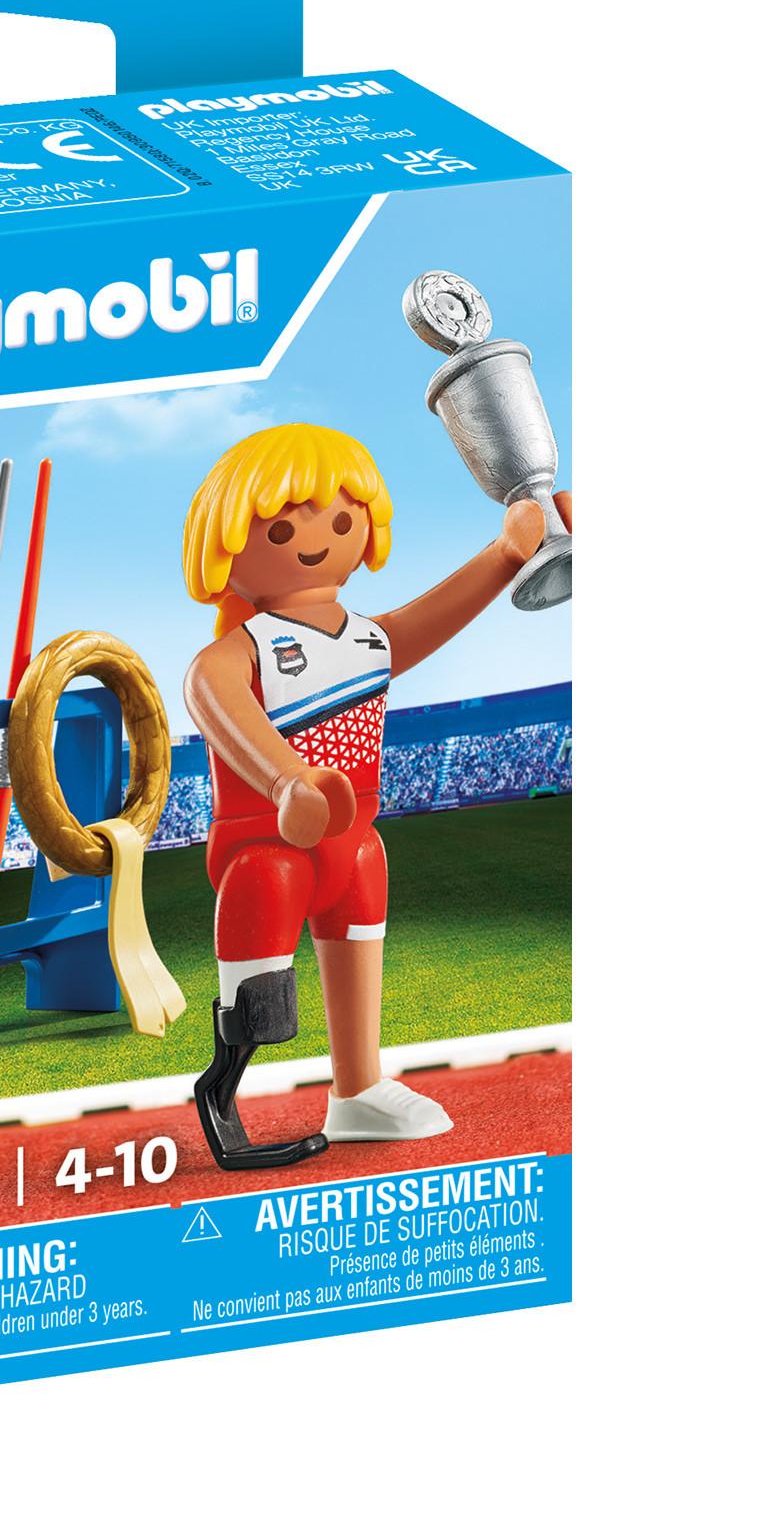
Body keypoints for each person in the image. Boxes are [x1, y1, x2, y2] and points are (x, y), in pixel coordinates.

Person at [180, 423, 572, 1169]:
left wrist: (508, 552)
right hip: (271, 844)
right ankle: (222, 1090)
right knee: (261, 991)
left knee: (360, 937)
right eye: (283, 528)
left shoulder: (367, 639)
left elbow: (433, 615)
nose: (316, 541)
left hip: (353, 838)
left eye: (340, 522)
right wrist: (288, 780)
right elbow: (216, 700)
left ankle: (357, 1087)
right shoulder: (238, 651)